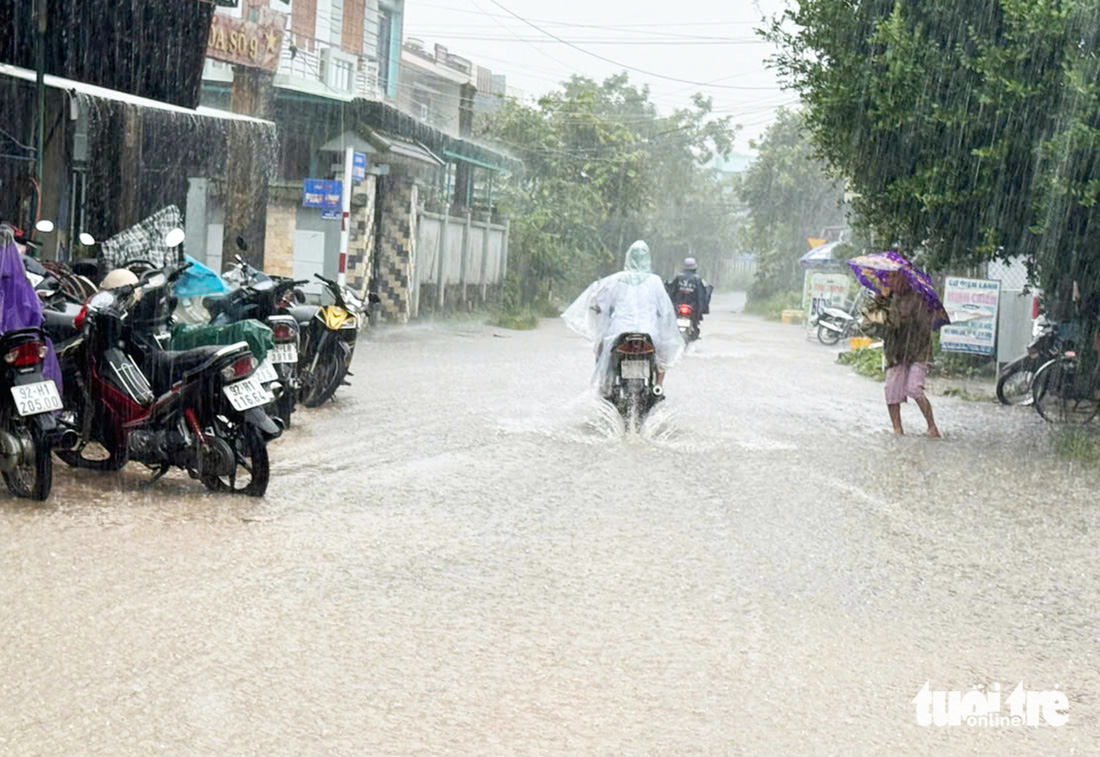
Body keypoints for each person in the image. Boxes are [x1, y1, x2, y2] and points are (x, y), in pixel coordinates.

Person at [562, 240, 685, 394]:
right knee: (664, 351)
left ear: (628, 257)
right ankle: (659, 385)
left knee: (600, 348)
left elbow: (601, 303)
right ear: (648, 259)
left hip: (619, 333)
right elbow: (666, 310)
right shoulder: (655, 281)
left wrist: (598, 309)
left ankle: (604, 385)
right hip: (650, 334)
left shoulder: (615, 280)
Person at [880, 269, 939, 437]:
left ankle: (932, 426)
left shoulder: (917, 299)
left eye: (894, 276)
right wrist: (883, 303)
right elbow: (874, 325)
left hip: (917, 351)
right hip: (895, 353)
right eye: (888, 277)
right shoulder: (884, 299)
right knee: (891, 391)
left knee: (914, 389)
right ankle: (897, 430)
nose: (891, 280)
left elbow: (923, 328)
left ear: (904, 278)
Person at [666, 257, 710, 329]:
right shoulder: (697, 279)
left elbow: (672, 292)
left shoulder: (678, 277)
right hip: (692, 307)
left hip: (678, 306)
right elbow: (701, 296)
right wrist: (701, 311)